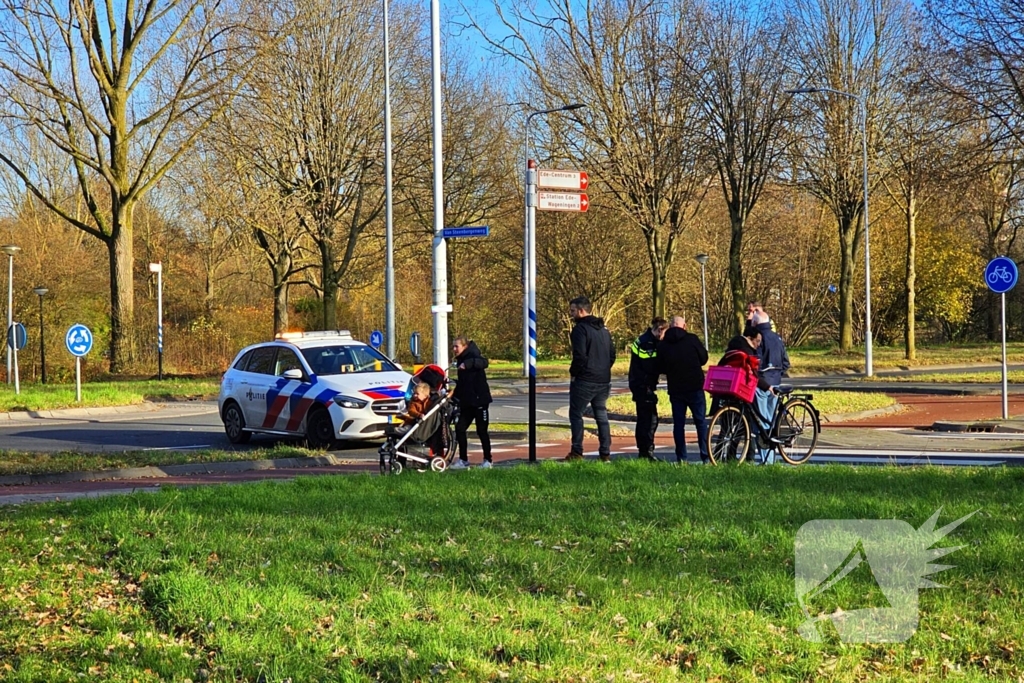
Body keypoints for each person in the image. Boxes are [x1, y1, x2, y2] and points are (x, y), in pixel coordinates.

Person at [566, 296, 615, 462]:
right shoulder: (604, 329)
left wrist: (574, 373)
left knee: (576, 414)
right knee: (601, 414)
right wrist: (603, 369)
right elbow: (612, 354)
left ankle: (577, 451)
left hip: (585, 379)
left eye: (573, 311)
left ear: (581, 310)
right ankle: (605, 452)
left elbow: (579, 356)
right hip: (603, 379)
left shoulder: (580, 330)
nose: (571, 314)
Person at [657, 315, 709, 464]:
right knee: (700, 422)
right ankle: (705, 456)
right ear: (684, 326)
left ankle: (682, 457)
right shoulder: (692, 339)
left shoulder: (663, 344)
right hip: (694, 387)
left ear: (671, 327)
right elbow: (704, 358)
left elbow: (660, 366)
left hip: (676, 388)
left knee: (679, 425)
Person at [748, 310, 790, 464]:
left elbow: (755, 362)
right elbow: (786, 362)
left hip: (762, 385)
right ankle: (771, 458)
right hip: (776, 383)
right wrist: (777, 374)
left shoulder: (759, 338)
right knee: (771, 421)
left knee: (761, 421)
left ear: (755, 324)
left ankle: (767, 460)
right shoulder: (777, 338)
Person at [449, 336, 493, 470]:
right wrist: (453, 394)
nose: (454, 349)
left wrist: (468, 364)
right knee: (460, 428)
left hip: (480, 400)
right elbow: (463, 383)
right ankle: (463, 460)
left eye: (457, 346)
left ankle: (488, 460)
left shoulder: (473, 355)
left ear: (465, 346)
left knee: (482, 431)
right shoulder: (460, 359)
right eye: (453, 347)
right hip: (468, 402)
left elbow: (484, 362)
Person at [628, 317, 668, 460]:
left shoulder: (644, 339)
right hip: (643, 385)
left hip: (639, 383)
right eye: (664, 334)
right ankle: (647, 452)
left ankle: (643, 450)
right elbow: (651, 365)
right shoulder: (647, 344)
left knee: (644, 418)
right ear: (659, 330)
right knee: (650, 420)